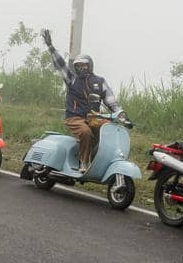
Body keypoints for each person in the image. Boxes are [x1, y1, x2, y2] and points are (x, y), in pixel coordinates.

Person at [40, 29, 124, 172]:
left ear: (90, 65)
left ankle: (99, 160)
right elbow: (60, 65)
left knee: (108, 129)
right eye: (78, 66)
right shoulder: (72, 79)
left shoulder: (99, 81)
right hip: (75, 117)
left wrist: (121, 114)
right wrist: (51, 47)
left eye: (84, 65)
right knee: (85, 132)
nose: (81, 67)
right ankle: (83, 162)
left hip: (94, 117)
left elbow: (111, 101)